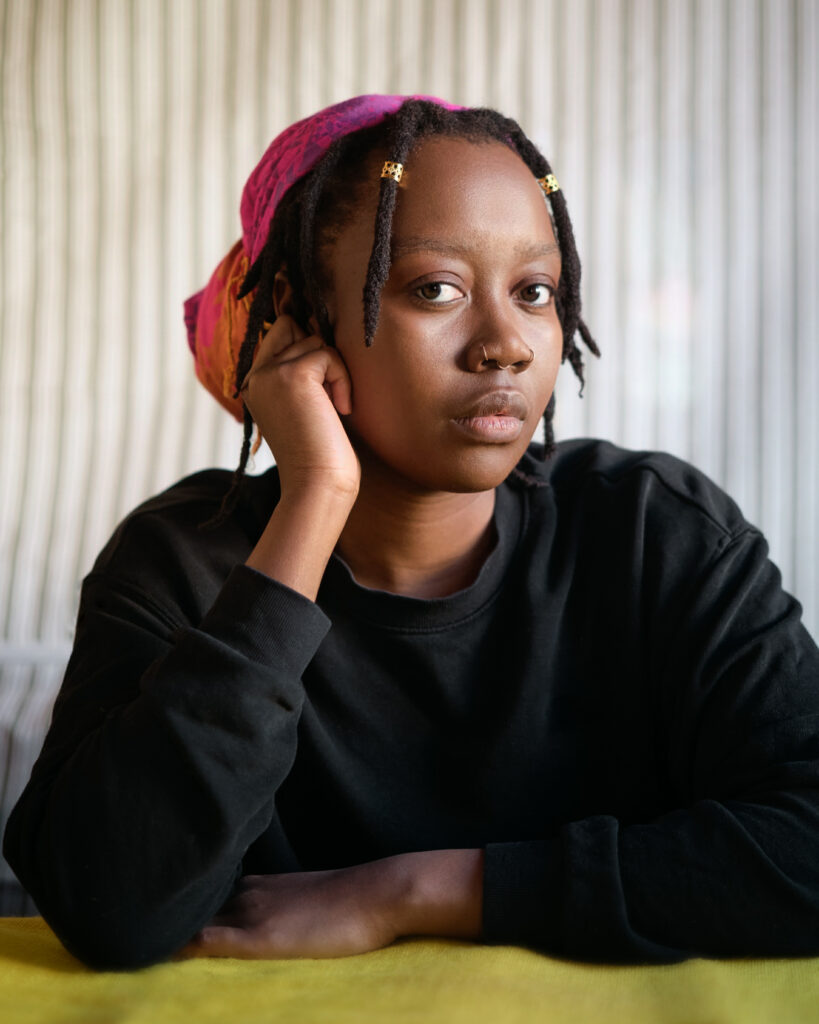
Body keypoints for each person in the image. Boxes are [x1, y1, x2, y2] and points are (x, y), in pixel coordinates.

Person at [5, 94, 819, 971]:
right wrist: (312, 500)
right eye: (436, 289)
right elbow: (111, 909)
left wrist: (412, 892)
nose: (504, 344)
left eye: (534, 292)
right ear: (297, 315)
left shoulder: (655, 532)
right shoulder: (182, 562)